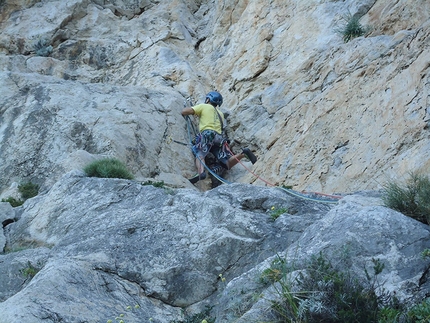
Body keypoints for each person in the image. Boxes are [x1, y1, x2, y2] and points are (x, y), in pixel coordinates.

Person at [181, 91, 257, 184]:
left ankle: (201, 172)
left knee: (199, 152)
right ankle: (243, 153)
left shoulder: (204, 106)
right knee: (226, 163)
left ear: (208, 99)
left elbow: (185, 112)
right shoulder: (220, 113)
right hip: (219, 138)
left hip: (207, 134)